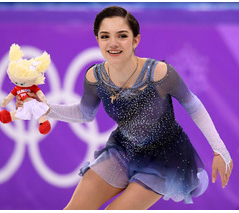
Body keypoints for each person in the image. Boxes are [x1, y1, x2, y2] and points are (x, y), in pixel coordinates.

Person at [16, 6, 233, 210]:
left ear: (135, 40)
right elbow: (85, 113)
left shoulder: (159, 73)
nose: (113, 43)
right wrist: (45, 109)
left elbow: (194, 107)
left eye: (122, 35)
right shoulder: (95, 76)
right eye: (105, 36)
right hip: (123, 150)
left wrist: (219, 150)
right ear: (97, 40)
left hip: (165, 158)